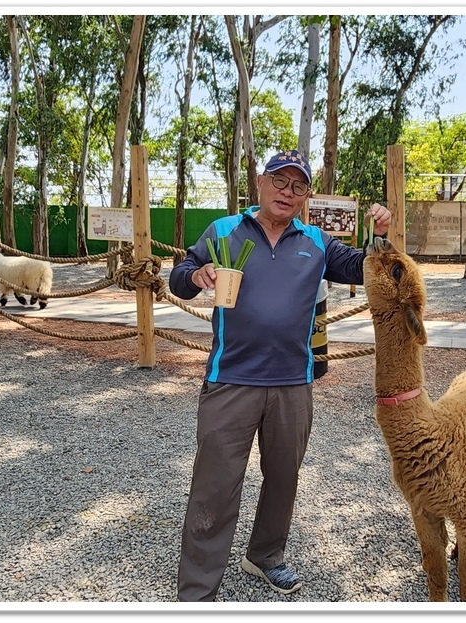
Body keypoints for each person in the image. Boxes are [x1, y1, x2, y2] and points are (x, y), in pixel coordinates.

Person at [169, 149, 391, 601]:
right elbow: (179, 274)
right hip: (231, 377)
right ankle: (197, 591)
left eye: (298, 186)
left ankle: (265, 555)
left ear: (306, 194)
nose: (287, 193)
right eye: (280, 181)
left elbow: (363, 269)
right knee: (215, 483)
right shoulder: (225, 231)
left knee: (284, 476)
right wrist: (198, 276)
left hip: (293, 381)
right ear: (260, 181)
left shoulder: (315, 240)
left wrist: (379, 237)